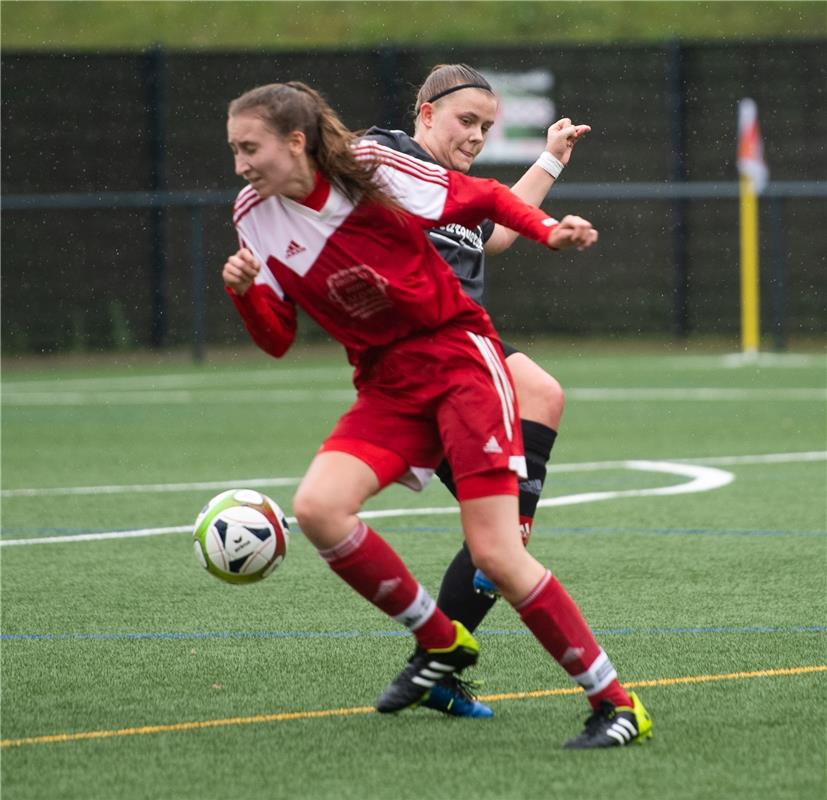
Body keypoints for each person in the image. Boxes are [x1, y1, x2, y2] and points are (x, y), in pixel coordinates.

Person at [222, 80, 652, 748]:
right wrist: (246, 294)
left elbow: (481, 200)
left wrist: (547, 230)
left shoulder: (371, 173)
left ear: (296, 142)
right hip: (386, 387)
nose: (241, 163)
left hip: (456, 366)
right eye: (235, 150)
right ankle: (440, 642)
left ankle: (617, 706)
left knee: (498, 555)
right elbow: (277, 338)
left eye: (250, 148)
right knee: (318, 509)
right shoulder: (253, 212)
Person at [364, 64, 587, 718]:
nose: (477, 136)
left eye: (487, 127)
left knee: (542, 398)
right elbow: (324, 178)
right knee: (500, 539)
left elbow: (503, 232)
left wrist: (550, 157)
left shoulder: (458, 190)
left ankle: (434, 665)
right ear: (424, 111)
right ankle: (440, 653)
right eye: (467, 121)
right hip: (420, 367)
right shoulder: (386, 161)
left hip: (469, 356)